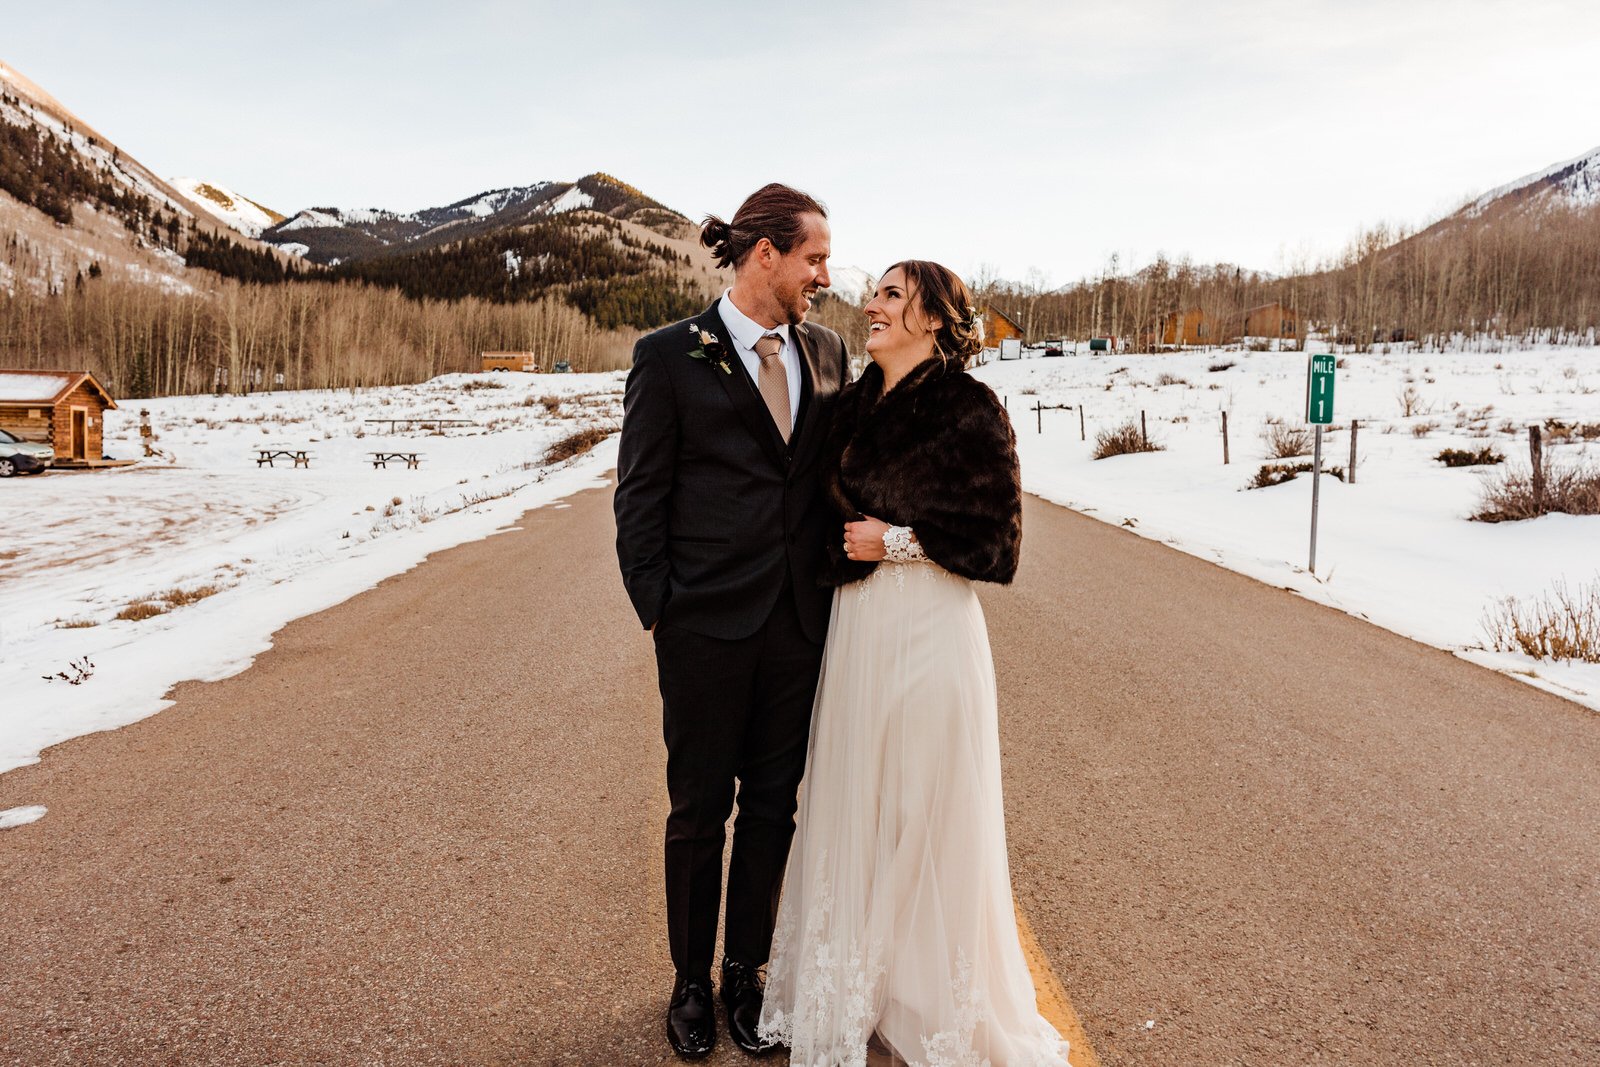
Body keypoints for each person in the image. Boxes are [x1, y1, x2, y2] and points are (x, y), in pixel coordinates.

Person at [757, 261, 1070, 1066]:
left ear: (933, 319)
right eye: (877, 292)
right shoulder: (854, 405)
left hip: (932, 631)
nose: (873, 304)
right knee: (859, 805)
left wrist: (894, 540)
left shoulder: (970, 406)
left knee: (925, 813)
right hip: (858, 630)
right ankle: (861, 990)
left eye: (893, 295)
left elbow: (998, 542)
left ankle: (932, 1004)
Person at [613, 183, 852, 1059]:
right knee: (698, 810)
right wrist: (662, 613)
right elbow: (639, 498)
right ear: (767, 255)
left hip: (799, 622)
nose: (826, 273)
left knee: (773, 810)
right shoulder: (670, 355)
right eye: (815, 257)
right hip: (704, 629)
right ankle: (687, 982)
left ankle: (743, 974)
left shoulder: (828, 352)